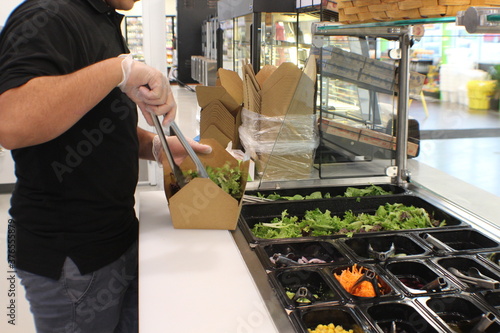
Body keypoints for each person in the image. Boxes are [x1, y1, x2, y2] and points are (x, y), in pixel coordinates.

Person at [0, 0, 211, 332]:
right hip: (70, 255)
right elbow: (12, 122)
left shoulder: (102, 19)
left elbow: (99, 125)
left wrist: (154, 145)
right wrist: (118, 70)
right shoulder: (47, 14)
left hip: (118, 236)